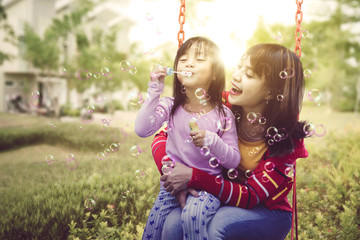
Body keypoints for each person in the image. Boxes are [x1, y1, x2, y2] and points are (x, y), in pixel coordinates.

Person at [151, 43, 309, 240]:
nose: (236, 76)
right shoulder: (221, 107)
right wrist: (173, 172)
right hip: (220, 197)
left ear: (271, 91)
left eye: (249, 74)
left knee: (217, 226)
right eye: (239, 67)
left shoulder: (287, 141)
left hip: (268, 212)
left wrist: (193, 176)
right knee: (172, 224)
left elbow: (251, 196)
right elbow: (161, 137)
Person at [135, 36, 241, 240]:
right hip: (171, 185)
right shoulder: (170, 105)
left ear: (215, 72)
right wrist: (154, 90)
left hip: (208, 187)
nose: (189, 63)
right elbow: (142, 129)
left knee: (193, 216)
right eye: (183, 59)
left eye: (200, 59)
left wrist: (212, 141)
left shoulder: (224, 115)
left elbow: (234, 161)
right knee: (152, 230)